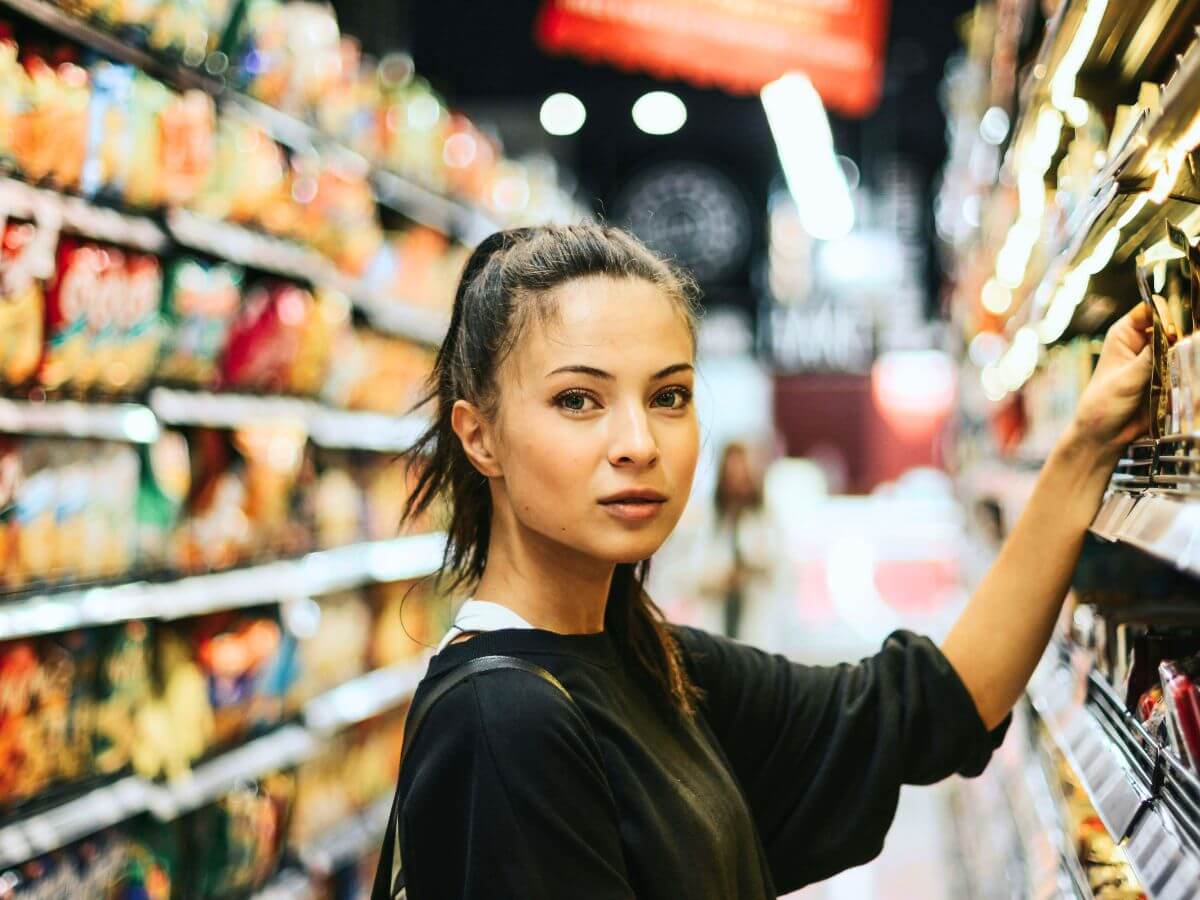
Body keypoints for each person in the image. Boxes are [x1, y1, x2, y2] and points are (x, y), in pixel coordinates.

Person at [371, 224, 1151, 899]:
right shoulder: (504, 722)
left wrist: (1087, 446)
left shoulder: (646, 660)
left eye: (669, 396)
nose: (639, 443)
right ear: (478, 436)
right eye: (579, 399)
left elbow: (928, 708)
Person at [688, 440, 788, 644]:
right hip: (716, 620)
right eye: (732, 473)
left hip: (756, 621)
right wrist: (720, 578)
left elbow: (781, 569)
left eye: (742, 473)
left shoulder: (765, 518)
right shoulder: (709, 519)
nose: (737, 481)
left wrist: (751, 570)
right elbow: (689, 574)